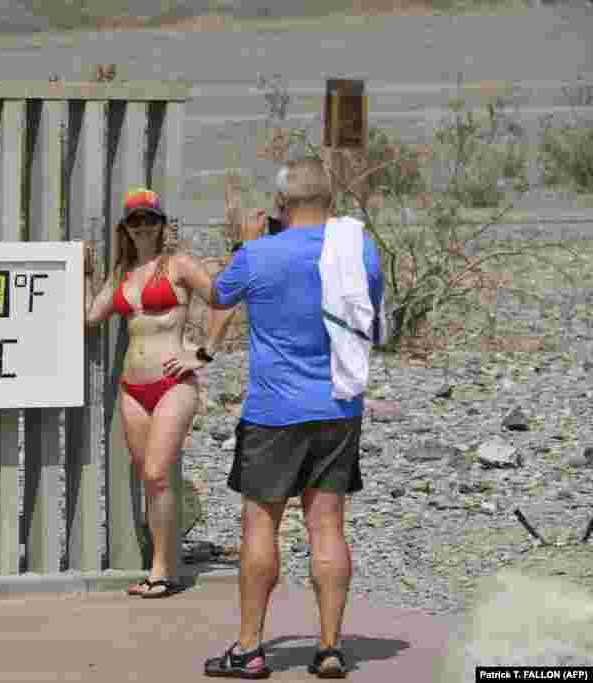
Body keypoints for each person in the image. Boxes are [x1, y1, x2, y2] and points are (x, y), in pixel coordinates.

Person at [184, 159, 385, 679]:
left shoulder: (258, 254)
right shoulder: (358, 250)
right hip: (339, 406)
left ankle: (250, 647)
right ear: (331, 202)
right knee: (328, 526)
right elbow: (374, 312)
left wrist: (243, 244)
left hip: (274, 411)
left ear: (279, 205)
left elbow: (217, 295)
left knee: (260, 524)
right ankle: (330, 647)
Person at [83, 187, 250, 599]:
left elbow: (224, 297)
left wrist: (205, 352)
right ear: (126, 228)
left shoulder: (179, 265)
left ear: (162, 225)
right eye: (135, 221)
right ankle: (164, 563)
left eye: (150, 220)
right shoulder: (122, 272)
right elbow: (90, 317)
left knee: (158, 473)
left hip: (175, 383)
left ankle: (162, 570)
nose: (143, 228)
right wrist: (85, 273)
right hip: (132, 387)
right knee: (151, 481)